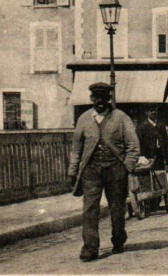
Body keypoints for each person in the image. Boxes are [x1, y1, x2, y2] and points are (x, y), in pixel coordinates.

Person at [67, 82, 140, 261]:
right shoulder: (84, 119)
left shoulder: (121, 118)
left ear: (109, 98)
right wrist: (73, 171)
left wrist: (127, 167)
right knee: (89, 209)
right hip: (91, 171)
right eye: (96, 97)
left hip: (115, 170)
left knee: (117, 207)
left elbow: (133, 145)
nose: (100, 101)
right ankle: (90, 248)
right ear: (91, 98)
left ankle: (118, 240)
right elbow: (77, 149)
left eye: (103, 98)